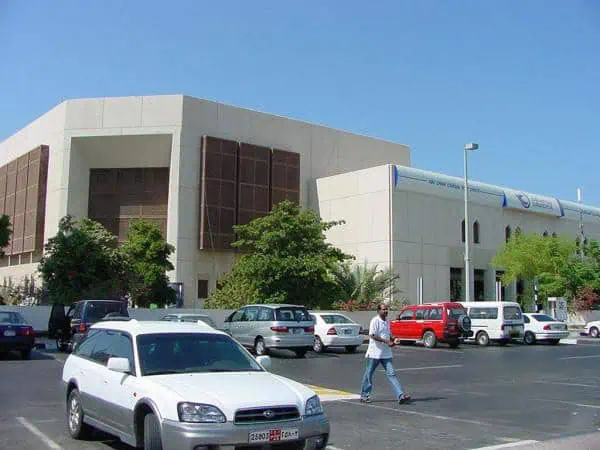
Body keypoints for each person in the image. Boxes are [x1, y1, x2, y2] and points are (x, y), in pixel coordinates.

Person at [360, 303, 411, 404]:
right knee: (368, 374)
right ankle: (364, 395)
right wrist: (386, 341)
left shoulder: (387, 321)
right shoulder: (375, 321)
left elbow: (388, 335)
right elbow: (373, 335)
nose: (386, 311)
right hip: (374, 353)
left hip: (386, 354)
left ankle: (400, 395)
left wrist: (394, 339)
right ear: (378, 311)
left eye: (387, 309)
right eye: (383, 309)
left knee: (392, 374)